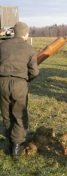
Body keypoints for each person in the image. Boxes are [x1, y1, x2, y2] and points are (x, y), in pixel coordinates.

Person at [0, 22, 39, 158]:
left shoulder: (2, 45)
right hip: (20, 84)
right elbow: (34, 72)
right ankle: (17, 146)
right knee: (19, 114)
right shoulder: (29, 49)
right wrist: (25, 79)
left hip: (2, 82)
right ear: (26, 34)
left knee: (6, 113)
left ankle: (9, 138)